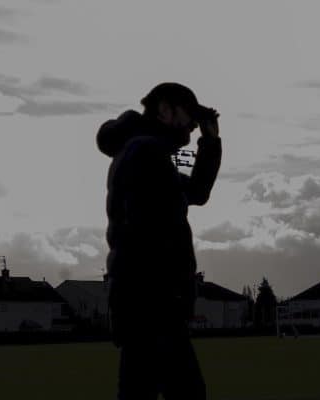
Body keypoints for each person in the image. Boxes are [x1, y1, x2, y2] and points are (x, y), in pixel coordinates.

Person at [96, 82, 221, 400]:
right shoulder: (146, 151)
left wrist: (210, 142)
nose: (192, 124)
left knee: (139, 390)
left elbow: (195, 192)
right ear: (164, 110)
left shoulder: (140, 149)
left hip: (139, 298)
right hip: (153, 301)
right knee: (186, 390)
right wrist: (173, 292)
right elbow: (149, 231)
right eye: (187, 114)